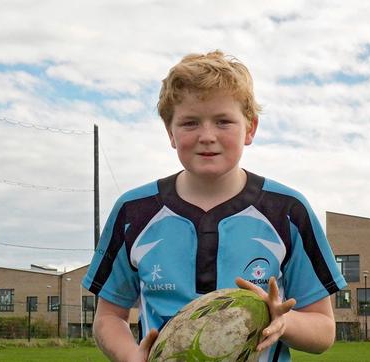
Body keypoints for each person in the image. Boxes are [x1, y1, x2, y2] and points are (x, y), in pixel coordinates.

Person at [81, 50, 347, 362]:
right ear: (170, 132)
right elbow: (109, 317)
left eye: (223, 121)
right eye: (190, 123)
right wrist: (131, 356)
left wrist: (282, 321)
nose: (207, 136)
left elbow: (323, 330)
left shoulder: (288, 210)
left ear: (250, 128)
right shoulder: (133, 211)